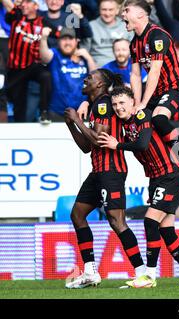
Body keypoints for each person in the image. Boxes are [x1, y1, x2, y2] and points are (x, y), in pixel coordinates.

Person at [98, 85, 179, 288]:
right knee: (166, 230)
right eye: (115, 104)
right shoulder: (123, 126)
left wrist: (117, 145)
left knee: (149, 222)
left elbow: (143, 144)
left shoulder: (141, 116)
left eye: (122, 103)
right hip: (156, 178)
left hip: (171, 175)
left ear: (132, 103)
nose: (119, 108)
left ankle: (149, 276)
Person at [63, 69, 146, 289]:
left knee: (117, 221)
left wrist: (77, 121)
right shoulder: (94, 107)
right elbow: (86, 148)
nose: (85, 79)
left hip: (112, 171)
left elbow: (100, 140)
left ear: (100, 84)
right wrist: (71, 124)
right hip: (98, 170)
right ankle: (90, 272)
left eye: (90, 78)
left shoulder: (103, 103)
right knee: (77, 214)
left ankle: (142, 273)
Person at [121, 0, 179, 183]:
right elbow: (135, 76)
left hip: (174, 89)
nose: (122, 14)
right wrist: (136, 104)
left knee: (158, 118)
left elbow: (154, 72)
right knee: (138, 121)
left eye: (126, 10)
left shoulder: (157, 35)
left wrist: (143, 103)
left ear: (141, 15)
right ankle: (160, 173)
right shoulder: (134, 44)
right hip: (156, 93)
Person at [4, 0, 52, 124]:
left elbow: (60, 33)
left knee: (46, 76)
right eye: (23, 2)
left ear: (36, 5)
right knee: (18, 105)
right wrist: (17, 4)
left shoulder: (43, 22)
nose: (24, 5)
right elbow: (8, 6)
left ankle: (44, 112)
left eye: (28, 2)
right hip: (15, 68)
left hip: (33, 65)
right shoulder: (16, 15)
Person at [39, 27, 97, 122]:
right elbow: (44, 57)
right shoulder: (55, 54)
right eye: (64, 39)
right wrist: (44, 38)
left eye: (70, 39)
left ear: (76, 41)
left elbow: (95, 78)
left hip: (81, 112)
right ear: (58, 42)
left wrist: (88, 57)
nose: (67, 43)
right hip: (57, 112)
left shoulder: (84, 57)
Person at [81, 0, 132, 68]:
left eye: (111, 10)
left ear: (117, 11)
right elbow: (84, 50)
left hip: (124, 68)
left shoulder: (126, 26)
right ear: (99, 10)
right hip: (99, 69)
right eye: (104, 10)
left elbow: (134, 50)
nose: (107, 13)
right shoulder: (90, 26)